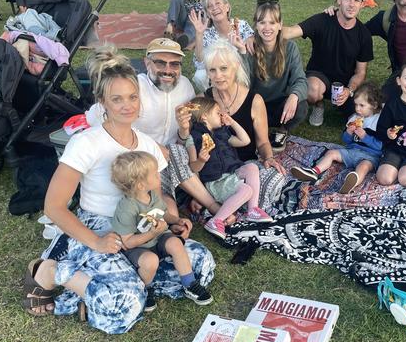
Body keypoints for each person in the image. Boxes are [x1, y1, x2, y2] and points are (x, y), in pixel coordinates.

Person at [21, 45, 214, 334]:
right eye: (117, 99)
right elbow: (54, 207)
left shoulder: (148, 146)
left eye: (133, 97)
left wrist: (172, 222)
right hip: (102, 228)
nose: (127, 105)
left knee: (201, 265)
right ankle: (49, 271)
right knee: (122, 308)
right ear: (103, 102)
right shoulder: (87, 143)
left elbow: (158, 196)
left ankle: (98, 286)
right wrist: (97, 243)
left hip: (142, 227)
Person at [86, 38, 223, 217]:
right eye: (160, 63)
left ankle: (199, 202)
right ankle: (211, 206)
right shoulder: (134, 88)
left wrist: (183, 131)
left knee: (176, 152)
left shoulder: (185, 86)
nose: (168, 70)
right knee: (171, 212)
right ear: (147, 63)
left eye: (174, 64)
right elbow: (94, 116)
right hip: (140, 164)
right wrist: (146, 143)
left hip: (174, 161)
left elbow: (184, 139)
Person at [111, 151, 213, 309]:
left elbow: (163, 214)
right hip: (138, 248)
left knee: (175, 243)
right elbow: (128, 242)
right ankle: (145, 289)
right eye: (154, 174)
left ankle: (189, 284)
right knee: (150, 261)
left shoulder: (151, 194)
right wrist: (152, 233)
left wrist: (177, 220)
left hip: (157, 239)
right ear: (140, 185)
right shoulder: (127, 208)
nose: (159, 175)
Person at [281, 0, 374, 127]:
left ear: (362, 4)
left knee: (361, 116)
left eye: (357, 0)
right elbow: (291, 31)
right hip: (318, 76)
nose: (352, 5)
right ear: (339, 0)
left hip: (344, 84)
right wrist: (264, 31)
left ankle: (342, 103)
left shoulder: (364, 35)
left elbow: (360, 72)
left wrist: (349, 91)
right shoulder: (322, 20)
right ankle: (318, 105)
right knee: (313, 91)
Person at [188, 97, 274, 239]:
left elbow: (245, 140)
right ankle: (216, 221)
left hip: (230, 174)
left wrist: (232, 122)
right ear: (204, 117)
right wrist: (202, 160)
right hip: (215, 182)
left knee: (252, 167)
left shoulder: (221, 133)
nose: (221, 116)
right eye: (217, 113)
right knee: (247, 190)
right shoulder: (195, 137)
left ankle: (253, 210)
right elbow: (194, 168)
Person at [203, 39, 286, 175]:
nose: (218, 76)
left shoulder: (254, 101)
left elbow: (263, 142)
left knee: (275, 178)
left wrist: (269, 158)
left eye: (224, 68)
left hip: (247, 165)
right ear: (207, 72)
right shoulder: (204, 100)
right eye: (212, 70)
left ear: (235, 66)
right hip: (216, 168)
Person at [235, 0, 308, 152]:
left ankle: (281, 129)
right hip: (255, 105)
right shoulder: (249, 47)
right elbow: (242, 84)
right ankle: (259, 130)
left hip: (279, 105)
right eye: (262, 22)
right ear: (255, 25)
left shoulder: (290, 47)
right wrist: (242, 53)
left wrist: (294, 96)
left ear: (280, 25)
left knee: (301, 106)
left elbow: (300, 79)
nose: (267, 28)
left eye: (272, 23)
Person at [291, 82, 383, 194]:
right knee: (331, 153)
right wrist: (348, 133)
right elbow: (346, 141)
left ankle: (353, 182)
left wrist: (365, 137)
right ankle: (314, 172)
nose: (357, 109)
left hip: (370, 156)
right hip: (351, 151)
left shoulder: (379, 121)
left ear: (373, 105)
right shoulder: (354, 118)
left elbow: (381, 146)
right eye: (356, 105)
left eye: (362, 105)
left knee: (364, 167)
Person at [189, 0, 254, 92]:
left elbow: (251, 54)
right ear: (208, 14)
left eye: (218, 3)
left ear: (227, 7)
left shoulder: (241, 25)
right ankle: (215, 97)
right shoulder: (207, 34)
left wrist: (251, 37)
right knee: (200, 75)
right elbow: (200, 63)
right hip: (218, 74)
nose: (214, 8)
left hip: (241, 70)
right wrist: (199, 34)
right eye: (210, 6)